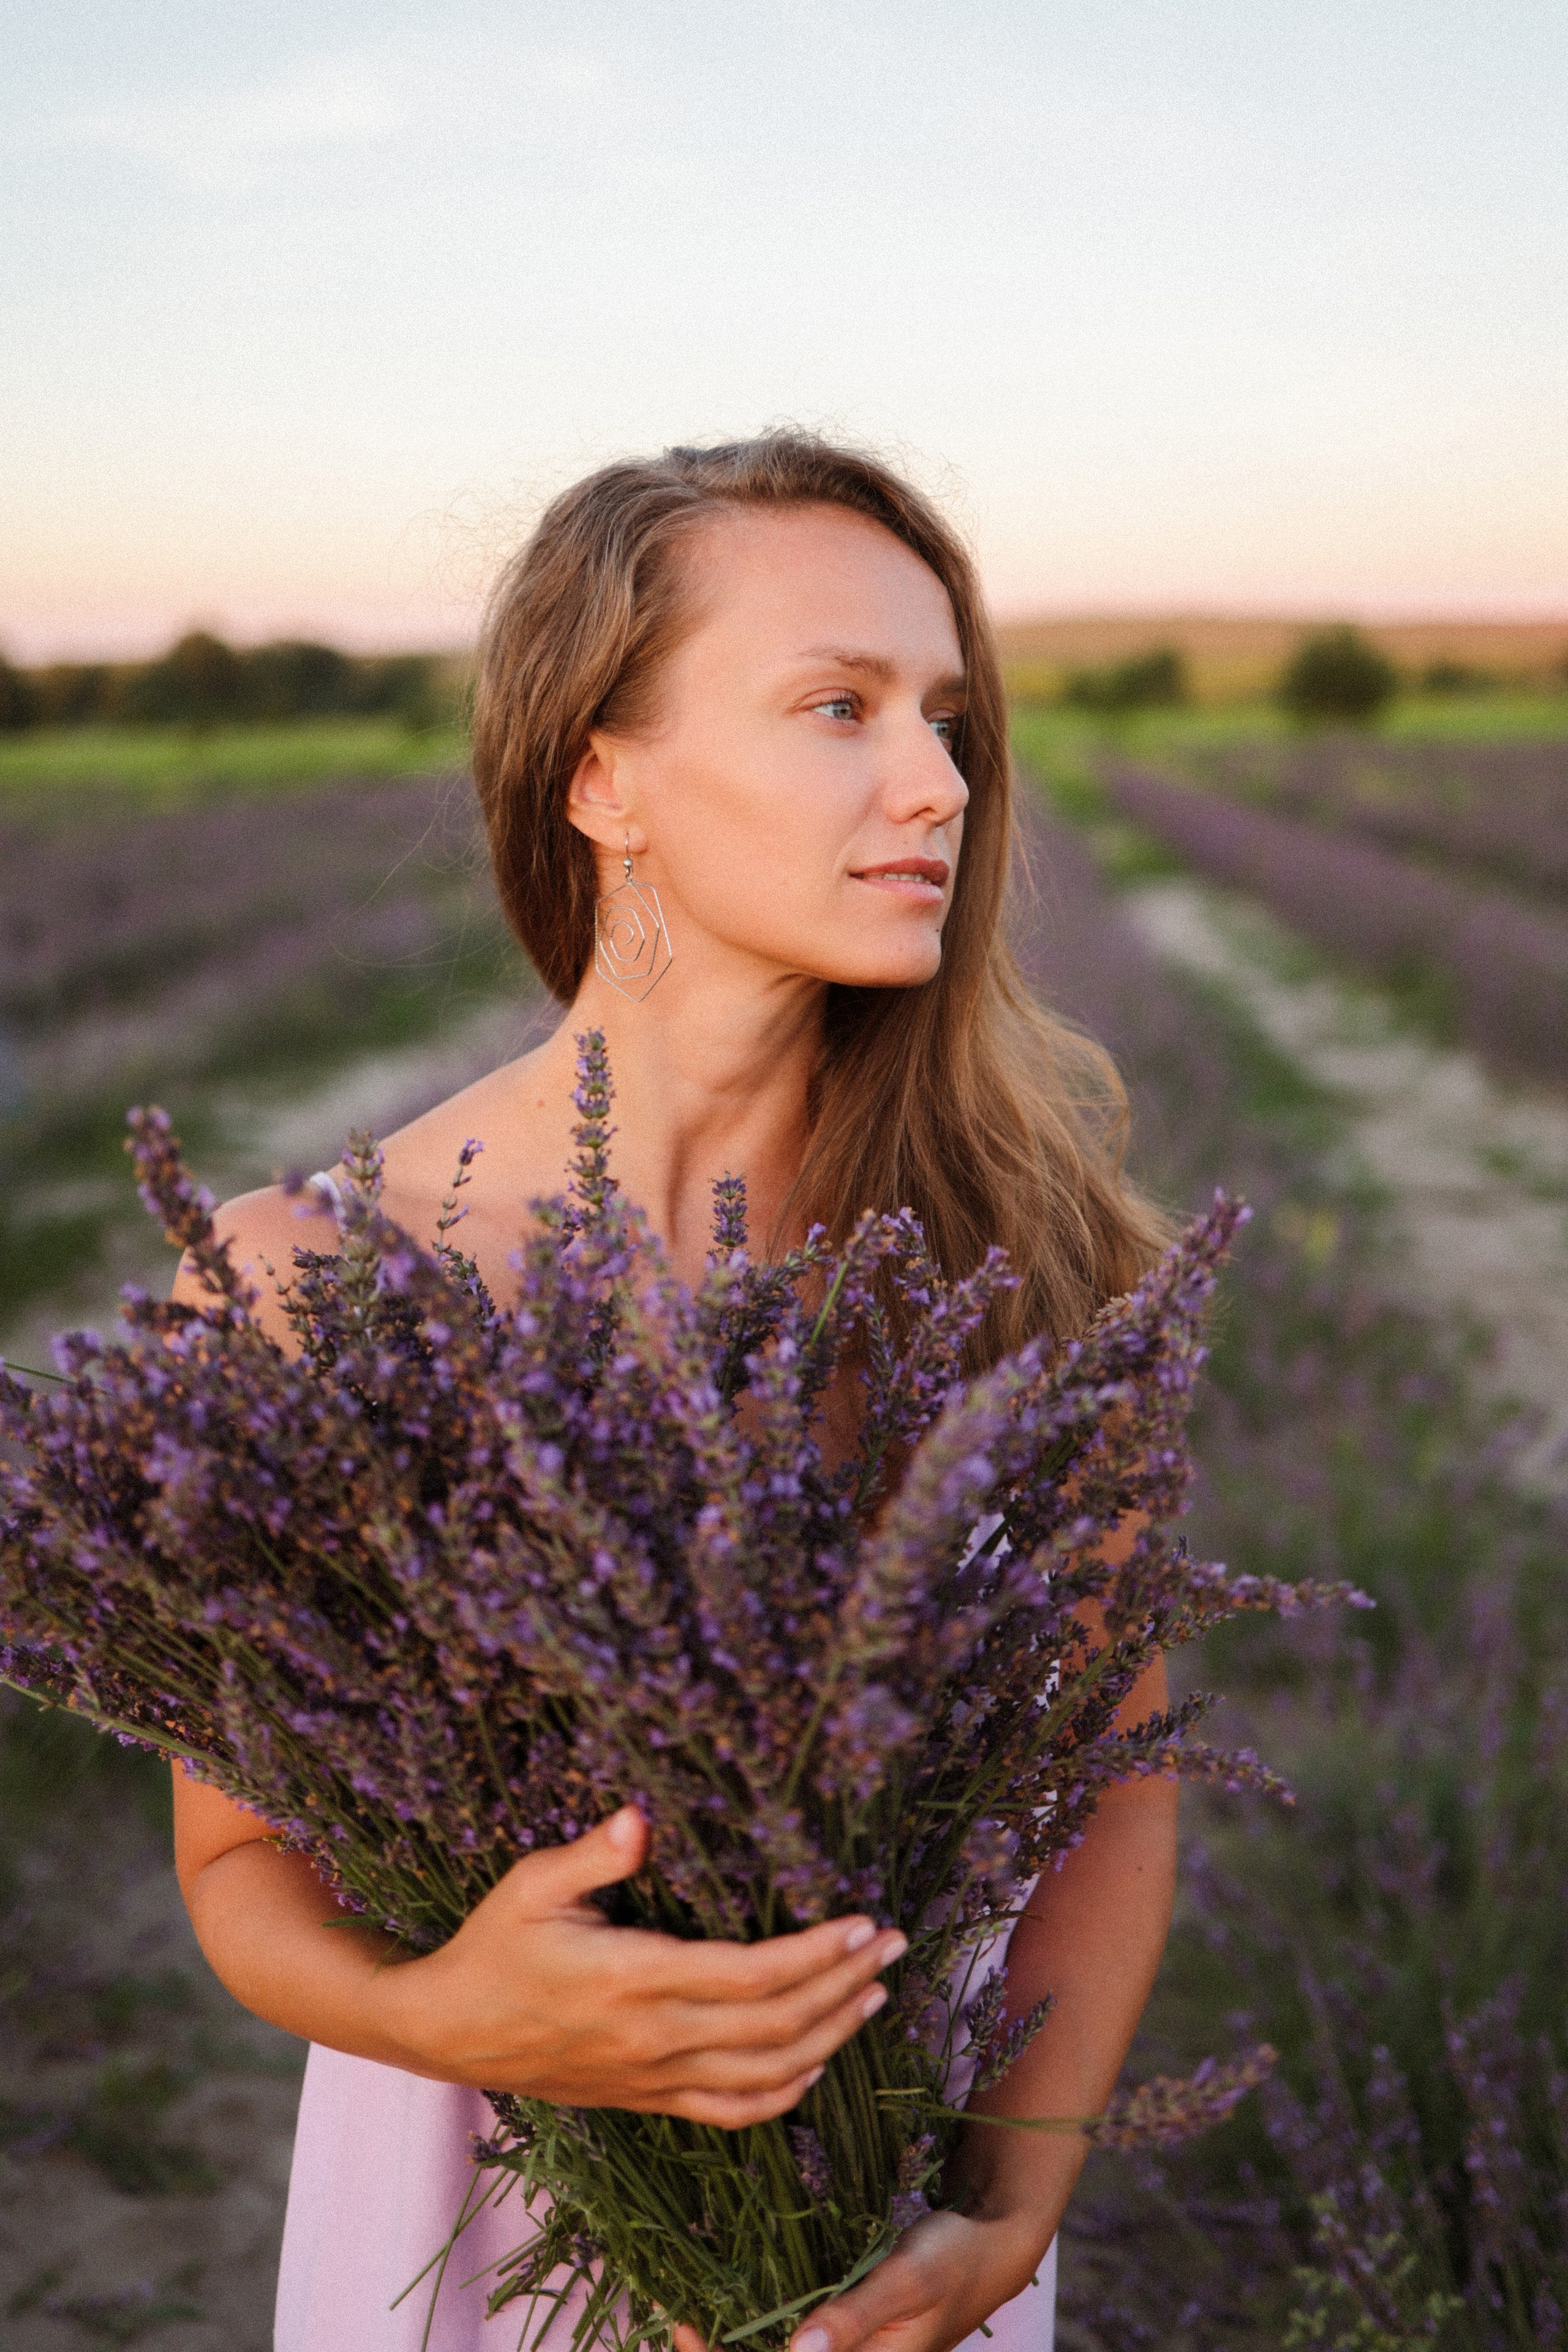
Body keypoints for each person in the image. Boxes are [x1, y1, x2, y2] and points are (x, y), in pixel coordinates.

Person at [171, 434, 1179, 2352]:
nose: (938, 783)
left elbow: (1120, 1787)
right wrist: (434, 2011)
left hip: (896, 2271)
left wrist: (1006, 2201)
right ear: (599, 776)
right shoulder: (304, 1287)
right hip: (470, 2244)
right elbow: (236, 1861)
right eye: (837, 707)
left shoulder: (1033, 1263)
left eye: (950, 717)